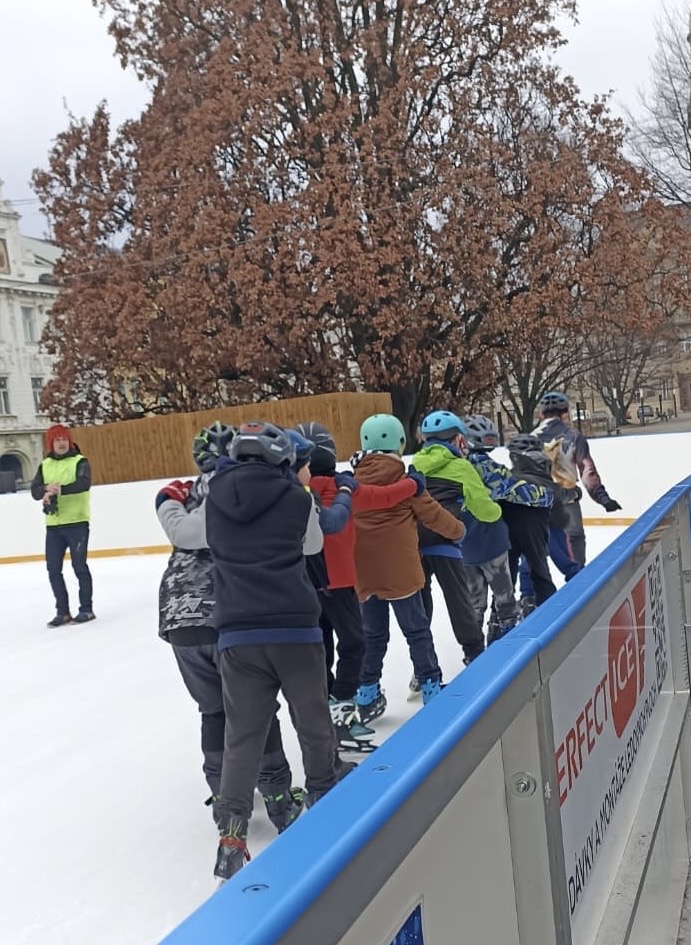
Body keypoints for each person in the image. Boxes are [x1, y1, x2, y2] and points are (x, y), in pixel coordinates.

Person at [205, 421, 352, 882]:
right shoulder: (296, 498)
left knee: (242, 737)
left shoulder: (212, 498)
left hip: (237, 633)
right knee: (312, 721)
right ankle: (324, 798)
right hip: (293, 628)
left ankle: (231, 835)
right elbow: (313, 544)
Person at [156, 421, 303, 833]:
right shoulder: (237, 488)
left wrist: (164, 499)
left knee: (213, 710)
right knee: (256, 707)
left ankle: (224, 798)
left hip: (178, 614)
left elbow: (179, 527)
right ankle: (276, 794)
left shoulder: (182, 493)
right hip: (228, 612)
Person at [295, 420, 424, 748]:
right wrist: (413, 484)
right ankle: (341, 707)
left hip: (305, 584)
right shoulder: (343, 488)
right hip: (338, 582)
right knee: (354, 643)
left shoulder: (296, 492)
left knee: (322, 647)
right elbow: (385, 496)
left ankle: (328, 709)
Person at [351, 413, 465, 718]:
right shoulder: (407, 481)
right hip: (401, 573)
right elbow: (434, 515)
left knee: (372, 635)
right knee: (417, 632)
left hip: (364, 575)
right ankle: (430, 686)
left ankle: (367, 693)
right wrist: (459, 531)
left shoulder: (351, 483)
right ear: (400, 442)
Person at [410, 410, 496, 675]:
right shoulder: (462, 467)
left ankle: (422, 666)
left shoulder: (414, 465)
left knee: (421, 604)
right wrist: (497, 511)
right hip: (446, 541)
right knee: (459, 601)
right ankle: (474, 653)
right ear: (456, 439)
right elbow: (484, 510)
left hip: (415, 544)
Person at [533, 391, 621, 565]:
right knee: (574, 547)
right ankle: (577, 578)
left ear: (541, 414)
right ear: (565, 413)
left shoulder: (530, 438)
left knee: (535, 551)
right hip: (566, 502)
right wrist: (603, 498)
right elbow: (587, 471)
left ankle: (533, 583)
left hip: (538, 503)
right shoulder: (573, 437)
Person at [31, 423, 95, 626]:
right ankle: (63, 611)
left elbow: (84, 483)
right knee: (53, 570)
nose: (61, 443)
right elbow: (34, 491)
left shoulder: (80, 461)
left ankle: (86, 609)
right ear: (51, 443)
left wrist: (60, 490)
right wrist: (45, 489)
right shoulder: (45, 465)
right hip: (53, 525)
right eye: (57, 440)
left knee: (79, 567)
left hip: (77, 522)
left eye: (64, 439)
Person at [503, 434, 559, 605]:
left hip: (510, 530)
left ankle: (501, 615)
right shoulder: (542, 475)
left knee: (508, 576)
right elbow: (556, 495)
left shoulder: (507, 478)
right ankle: (547, 607)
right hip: (533, 531)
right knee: (539, 570)